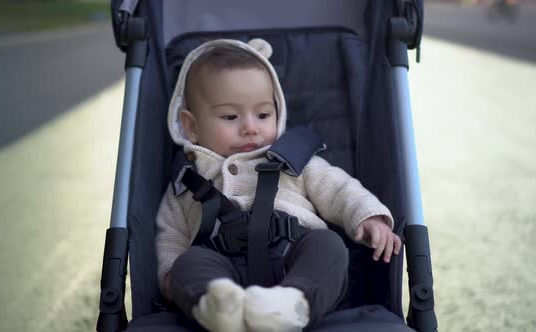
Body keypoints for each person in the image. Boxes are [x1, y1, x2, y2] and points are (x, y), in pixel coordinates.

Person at [155, 38, 402, 332]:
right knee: (187, 262)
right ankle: (217, 307)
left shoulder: (293, 161)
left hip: (293, 255)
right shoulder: (188, 180)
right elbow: (171, 235)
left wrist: (368, 215)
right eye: (230, 116)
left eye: (263, 114)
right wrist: (171, 276)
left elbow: (339, 189)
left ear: (278, 111)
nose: (250, 126)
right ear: (192, 126)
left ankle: (293, 304)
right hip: (222, 267)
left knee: (328, 246)